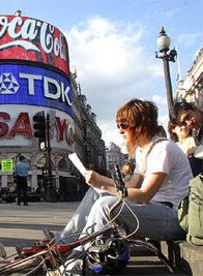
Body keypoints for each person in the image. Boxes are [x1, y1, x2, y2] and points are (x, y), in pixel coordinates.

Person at [57, 99, 193, 274]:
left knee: (105, 205)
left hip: (173, 217)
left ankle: (74, 267)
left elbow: (144, 195)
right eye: (118, 125)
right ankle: (63, 244)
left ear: (140, 124)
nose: (120, 130)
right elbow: (130, 185)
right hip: (156, 210)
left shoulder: (163, 149)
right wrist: (101, 181)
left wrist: (105, 187)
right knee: (95, 193)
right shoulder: (144, 150)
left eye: (123, 124)